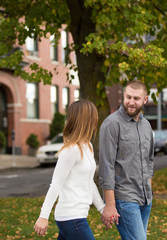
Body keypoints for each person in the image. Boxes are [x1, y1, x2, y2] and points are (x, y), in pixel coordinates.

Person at [34, 99, 105, 239]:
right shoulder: (71, 150)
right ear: (86, 119)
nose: (96, 118)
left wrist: (102, 208)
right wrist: (43, 216)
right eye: (94, 115)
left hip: (77, 215)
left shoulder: (88, 146)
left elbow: (89, 182)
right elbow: (56, 184)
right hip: (71, 217)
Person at [99, 80, 154, 240]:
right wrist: (110, 205)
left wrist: (149, 187)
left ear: (144, 100)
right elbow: (106, 166)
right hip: (124, 198)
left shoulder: (146, 126)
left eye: (136, 98)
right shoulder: (111, 124)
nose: (131, 102)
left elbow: (149, 160)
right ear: (123, 96)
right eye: (128, 97)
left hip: (145, 198)